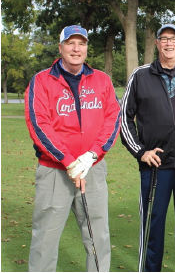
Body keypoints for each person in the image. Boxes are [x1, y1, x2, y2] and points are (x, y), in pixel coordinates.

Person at [25, 25, 120, 272]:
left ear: (87, 48)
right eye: (71, 43)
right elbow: (39, 125)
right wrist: (68, 161)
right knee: (45, 240)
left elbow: (113, 118)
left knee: (98, 238)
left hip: (93, 171)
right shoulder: (42, 80)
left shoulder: (101, 80)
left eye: (82, 44)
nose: (76, 49)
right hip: (55, 172)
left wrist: (91, 156)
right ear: (61, 48)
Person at [120, 23, 175, 272]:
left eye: (174, 38)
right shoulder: (141, 75)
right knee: (153, 223)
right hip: (155, 165)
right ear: (157, 43)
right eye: (164, 38)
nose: (169, 43)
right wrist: (141, 151)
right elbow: (124, 119)